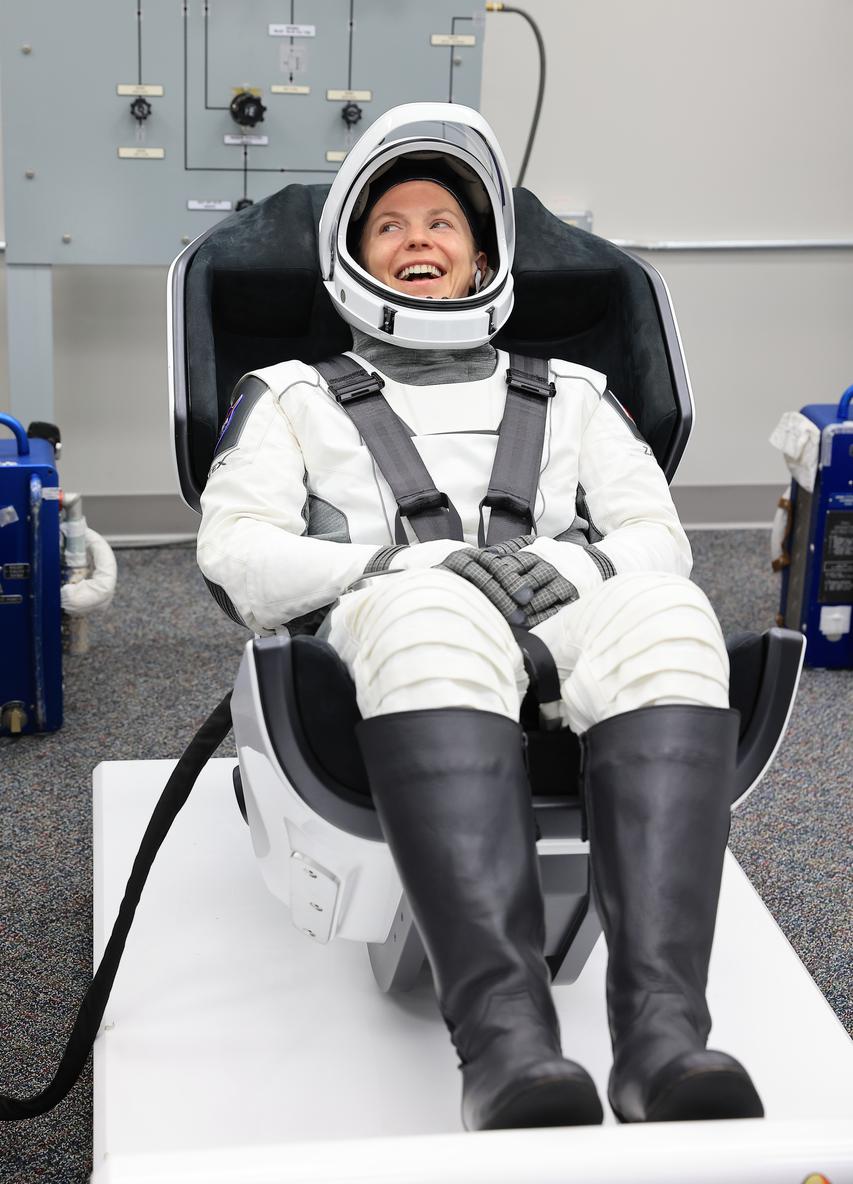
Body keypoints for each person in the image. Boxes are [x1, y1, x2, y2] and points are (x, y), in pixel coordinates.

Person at [197, 103, 764, 1133]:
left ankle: (663, 1041)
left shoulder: (577, 393)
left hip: (558, 616)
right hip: (386, 621)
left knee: (669, 612)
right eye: (390, 225)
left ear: (482, 257)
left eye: (442, 223)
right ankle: (505, 1049)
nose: (417, 239)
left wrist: (558, 568)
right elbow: (235, 555)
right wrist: (404, 564)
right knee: (425, 606)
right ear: (350, 258)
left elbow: (657, 538)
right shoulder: (286, 397)